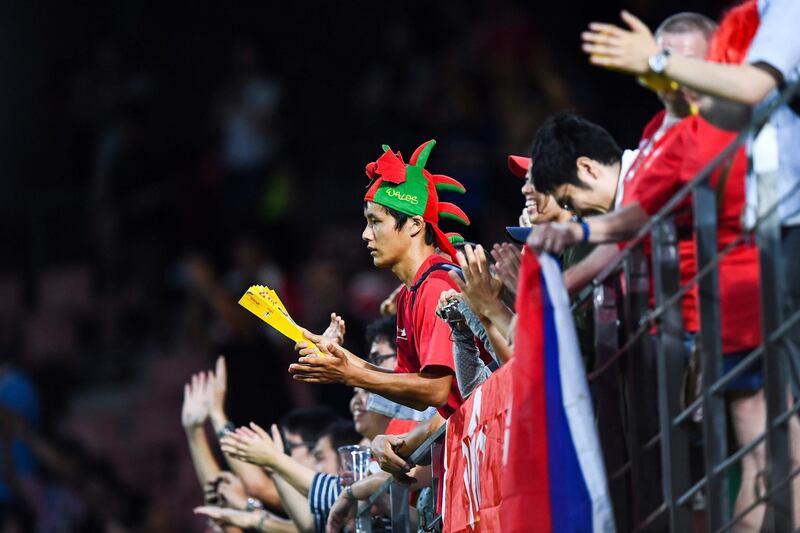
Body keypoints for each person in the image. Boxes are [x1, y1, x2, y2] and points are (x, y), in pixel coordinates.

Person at [580, 0, 800, 327]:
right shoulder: (656, 130)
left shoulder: (786, 7)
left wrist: (658, 61)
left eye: (690, 63)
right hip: (731, 282)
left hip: (702, 310)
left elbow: (751, 86)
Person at [288, 139, 485, 419]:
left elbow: (436, 390)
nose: (365, 235)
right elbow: (411, 386)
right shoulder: (409, 294)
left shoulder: (437, 287)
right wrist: (338, 357)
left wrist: (350, 375)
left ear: (415, 225)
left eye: (375, 222)